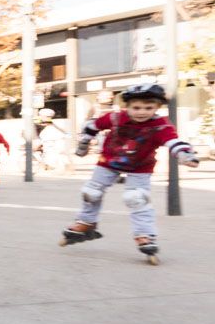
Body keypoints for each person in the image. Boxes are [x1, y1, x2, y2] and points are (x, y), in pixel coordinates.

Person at [61, 84, 198, 262]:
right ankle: (87, 222)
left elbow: (173, 141)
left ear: (157, 108)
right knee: (91, 192)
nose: (142, 112)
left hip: (140, 166)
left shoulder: (160, 125)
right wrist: (84, 143)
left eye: (149, 108)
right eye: (136, 107)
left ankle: (145, 235)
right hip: (109, 161)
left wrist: (185, 155)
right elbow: (92, 126)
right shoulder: (116, 117)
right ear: (127, 106)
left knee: (136, 198)